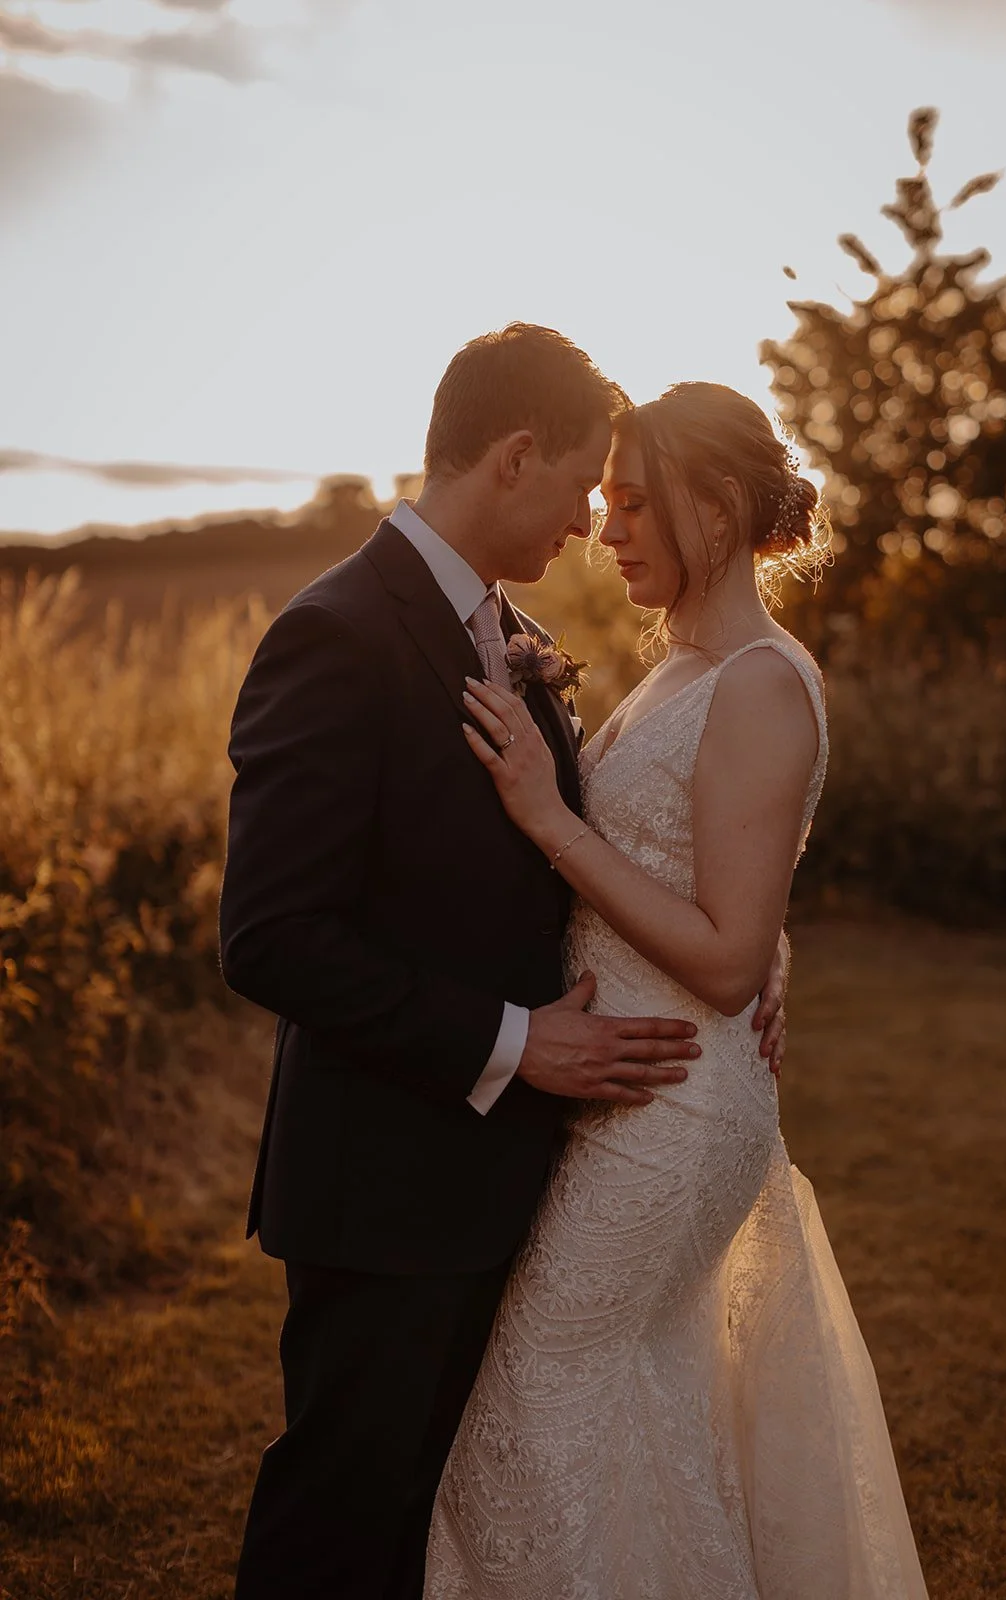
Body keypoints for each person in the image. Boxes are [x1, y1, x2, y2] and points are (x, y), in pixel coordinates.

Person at [219, 329, 788, 1600]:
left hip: (510, 1173)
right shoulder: (338, 632)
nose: (595, 521)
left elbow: (587, 845)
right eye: (588, 484)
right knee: (344, 1512)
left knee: (442, 1518)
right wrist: (520, 1042)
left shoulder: (510, 633)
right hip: (385, 1173)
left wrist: (759, 944)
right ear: (516, 455)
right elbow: (270, 933)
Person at [426, 381, 928, 1598]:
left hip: (671, 1107)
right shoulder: (681, 670)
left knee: (538, 1394)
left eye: (636, 504)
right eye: (603, 503)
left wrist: (550, 819)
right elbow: (721, 885)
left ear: (714, 504)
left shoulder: (758, 679)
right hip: (630, 1089)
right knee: (618, 1403)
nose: (607, 531)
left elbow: (722, 956)